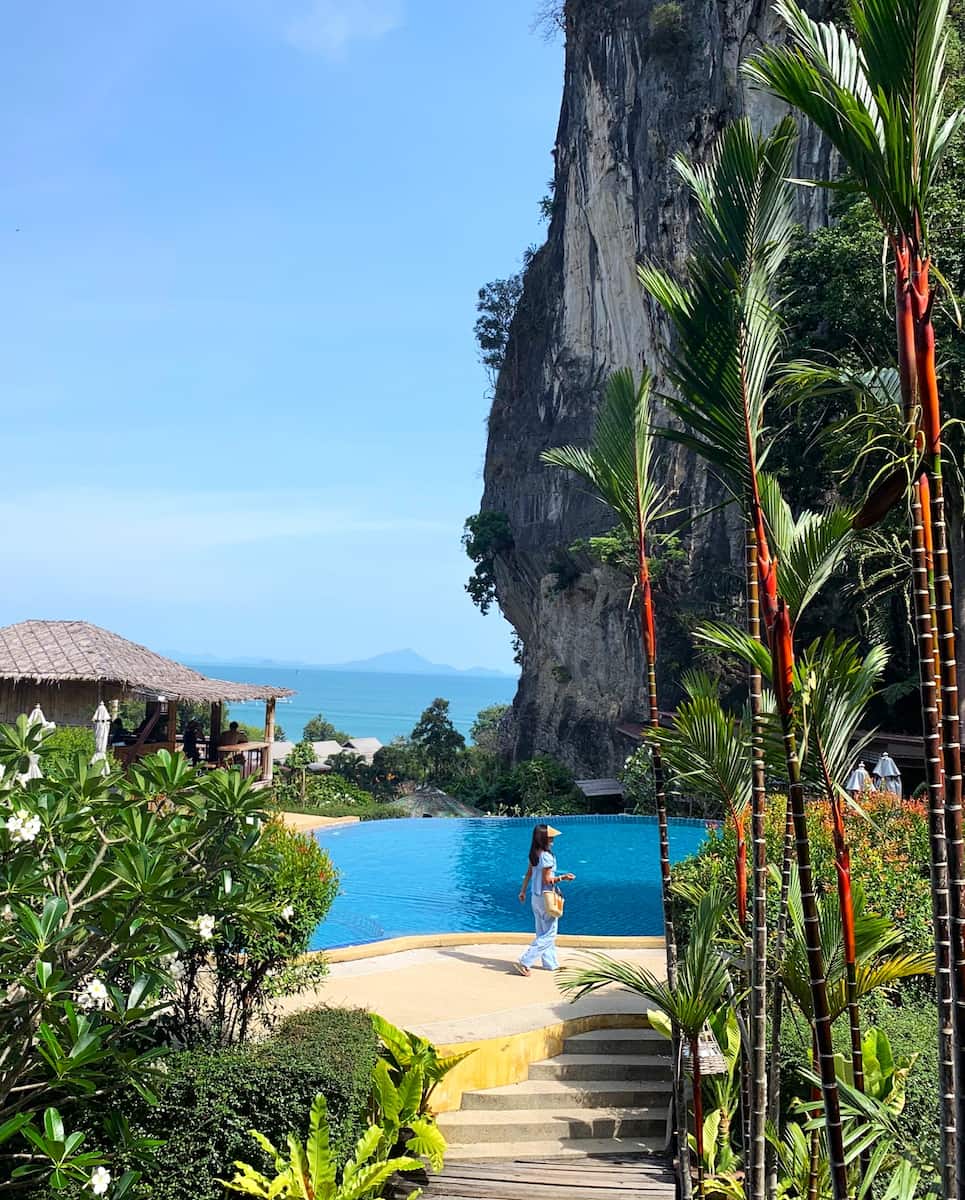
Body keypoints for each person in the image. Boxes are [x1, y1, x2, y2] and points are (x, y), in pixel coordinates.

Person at [515, 824, 575, 976]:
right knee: (550, 934)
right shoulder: (547, 856)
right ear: (544, 838)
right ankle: (525, 961)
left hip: (535, 897)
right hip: (546, 897)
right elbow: (548, 880)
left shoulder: (534, 853)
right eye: (550, 837)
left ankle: (551, 964)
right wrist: (564, 877)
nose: (553, 839)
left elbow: (528, 874)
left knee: (542, 931)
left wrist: (522, 891)